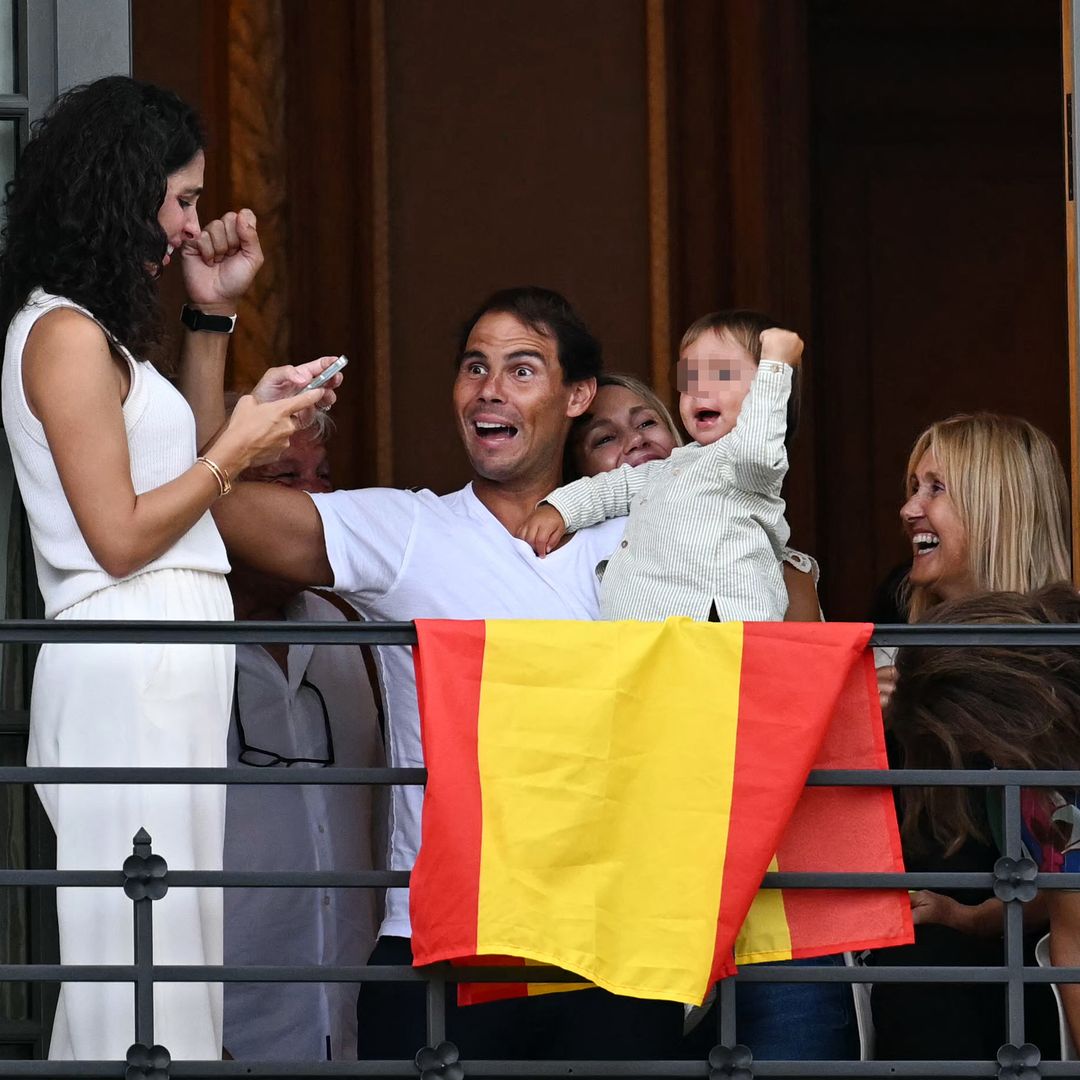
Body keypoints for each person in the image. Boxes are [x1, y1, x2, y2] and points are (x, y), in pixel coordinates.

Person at [192, 286, 683, 1060]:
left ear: (577, 395)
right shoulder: (410, 531)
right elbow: (210, 506)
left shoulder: (648, 542)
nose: (490, 389)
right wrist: (215, 336)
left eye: (522, 370)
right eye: (474, 368)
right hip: (439, 947)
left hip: (611, 947)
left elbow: (775, 610)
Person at [0, 76, 332, 1060]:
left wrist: (215, 321)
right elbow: (120, 534)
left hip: (161, 662)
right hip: (122, 661)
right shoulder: (59, 334)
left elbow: (177, 463)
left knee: (171, 944)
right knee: (133, 945)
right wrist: (238, 445)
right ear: (124, 191)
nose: (191, 223)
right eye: (182, 198)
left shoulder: (102, 335)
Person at [564, 368, 855, 1061]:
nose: (634, 444)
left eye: (647, 423)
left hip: (772, 880)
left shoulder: (770, 557)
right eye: (604, 438)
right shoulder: (570, 573)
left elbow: (804, 698)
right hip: (636, 891)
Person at [870, 413, 1068, 1063]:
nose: (908, 509)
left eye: (936, 488)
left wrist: (974, 916)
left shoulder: (1064, 648)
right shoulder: (892, 622)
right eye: (911, 487)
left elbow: (1067, 851)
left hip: (1030, 966)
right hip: (919, 957)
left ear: (997, 503)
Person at [222, 413, 385, 1063]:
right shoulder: (167, 640)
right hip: (214, 1025)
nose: (320, 503)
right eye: (288, 478)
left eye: (325, 478)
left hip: (355, 1020)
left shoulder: (358, 627)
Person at [888, 584, 1080, 1052]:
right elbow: (1064, 910)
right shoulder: (1034, 788)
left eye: (967, 740)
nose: (976, 758)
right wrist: (968, 918)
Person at [518, 311, 802, 623]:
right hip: (651, 643)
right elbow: (613, 487)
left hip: (719, 629)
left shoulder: (745, 464)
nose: (699, 390)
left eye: (721, 374)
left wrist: (776, 367)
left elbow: (755, 448)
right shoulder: (669, 469)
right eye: (690, 379)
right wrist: (560, 509)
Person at [566, 370, 821, 621]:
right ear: (574, 472)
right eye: (605, 438)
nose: (636, 439)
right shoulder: (565, 561)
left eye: (647, 423)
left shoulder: (774, 567)